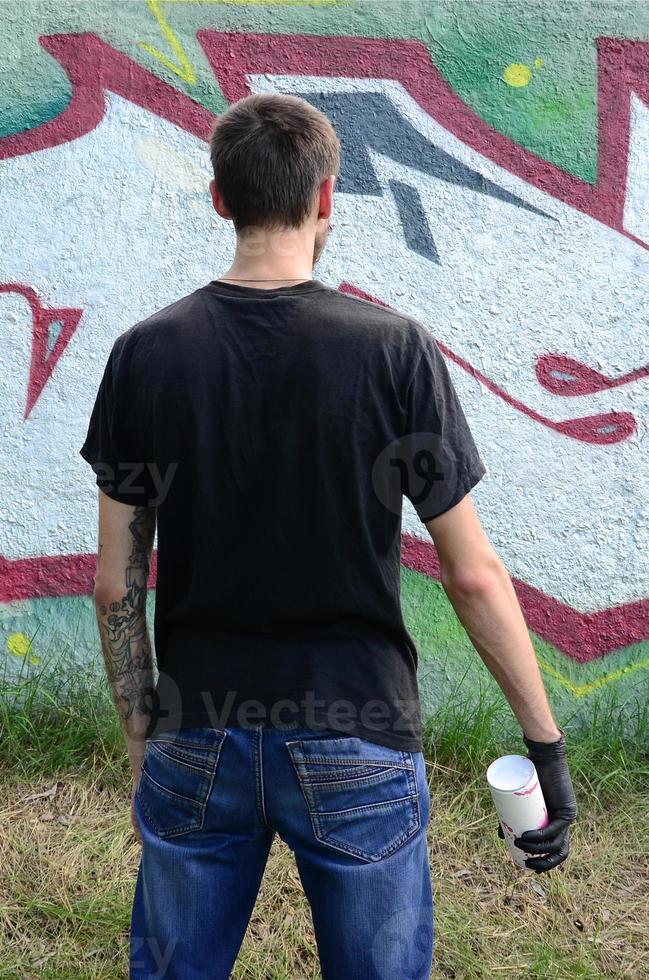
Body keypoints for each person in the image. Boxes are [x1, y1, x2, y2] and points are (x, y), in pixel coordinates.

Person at [79, 93, 578, 980]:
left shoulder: (145, 355)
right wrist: (544, 744)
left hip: (196, 727)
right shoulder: (393, 352)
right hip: (358, 727)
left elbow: (119, 582)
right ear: (325, 200)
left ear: (219, 200)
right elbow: (471, 576)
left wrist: (142, 748)